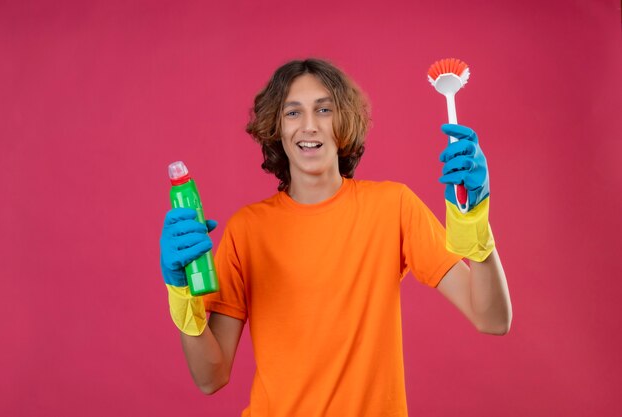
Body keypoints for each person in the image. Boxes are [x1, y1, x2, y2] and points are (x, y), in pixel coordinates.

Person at [159, 58, 512, 416]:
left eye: (324, 109)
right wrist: (181, 296)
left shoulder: (393, 206)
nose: (309, 126)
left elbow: (493, 319)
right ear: (276, 128)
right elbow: (210, 377)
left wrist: (475, 223)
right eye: (293, 113)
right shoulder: (247, 230)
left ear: (343, 122)